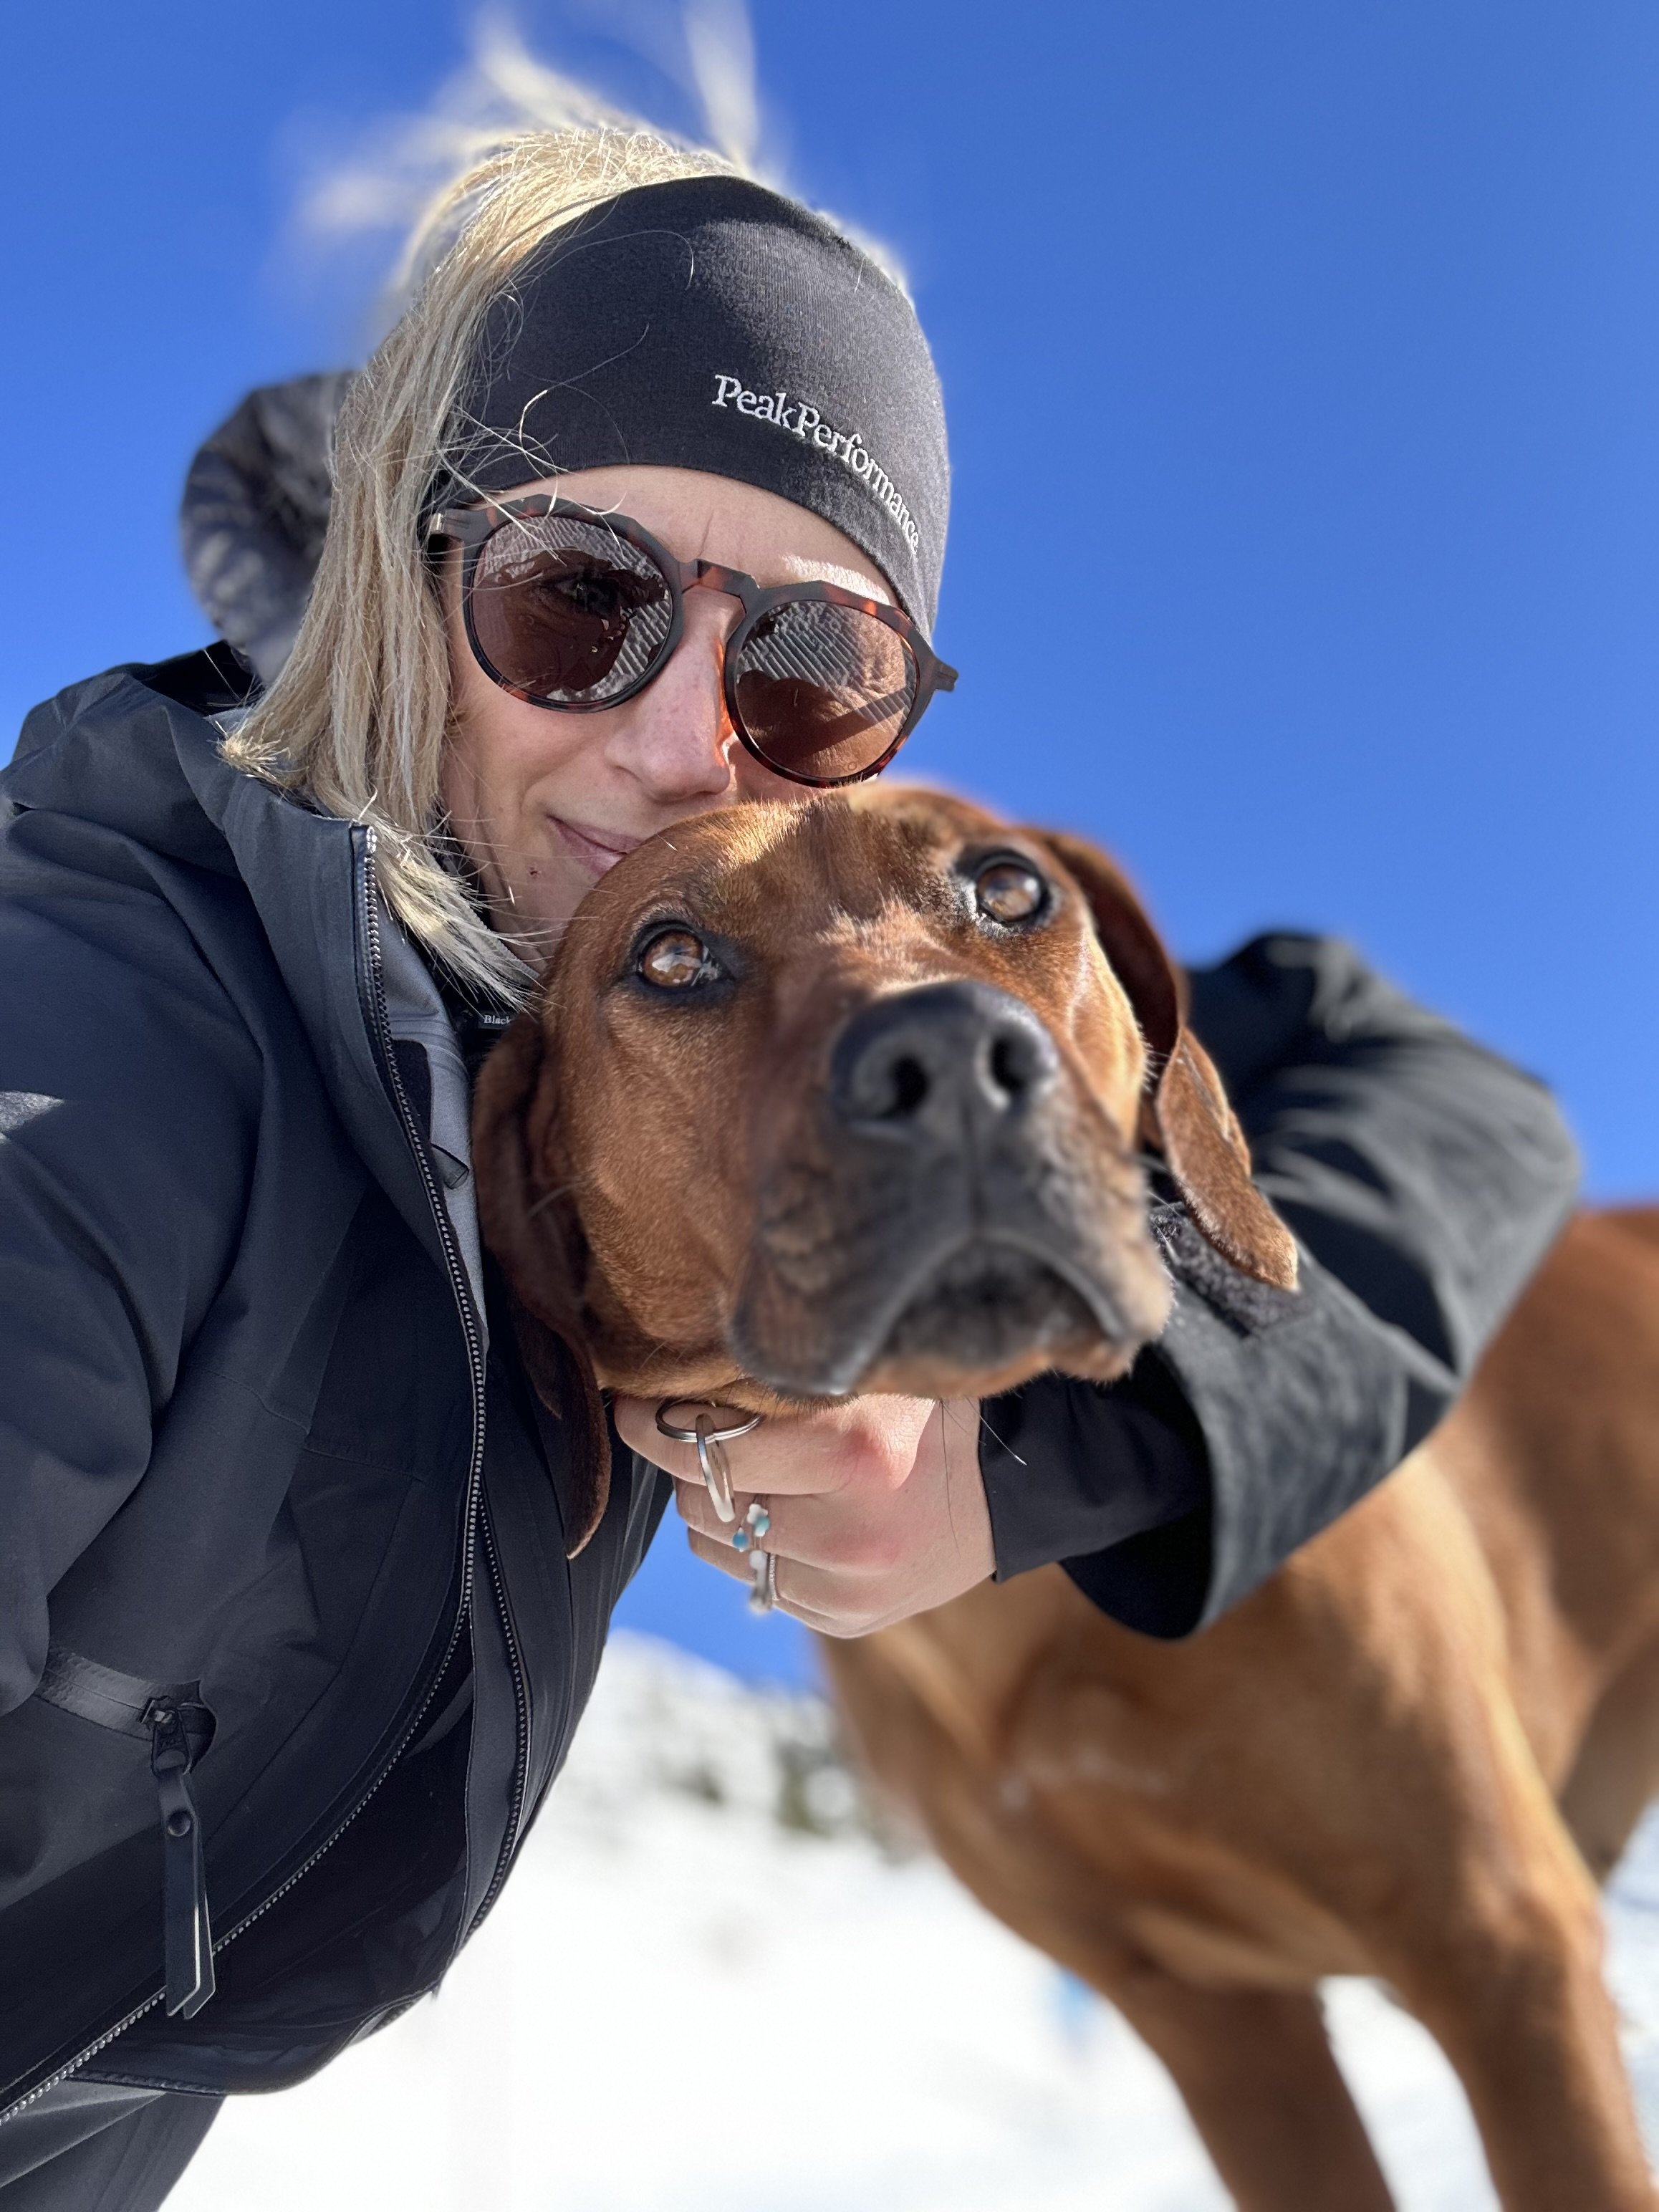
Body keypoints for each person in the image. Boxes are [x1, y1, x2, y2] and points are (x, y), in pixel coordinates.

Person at [0, 125, 1577, 2207]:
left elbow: (1435, 1084)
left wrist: (1047, 1463)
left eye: (806, 664)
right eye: (576, 603)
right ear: (409, 579)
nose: (677, 740)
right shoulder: (108, 1011)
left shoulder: (772, 956)